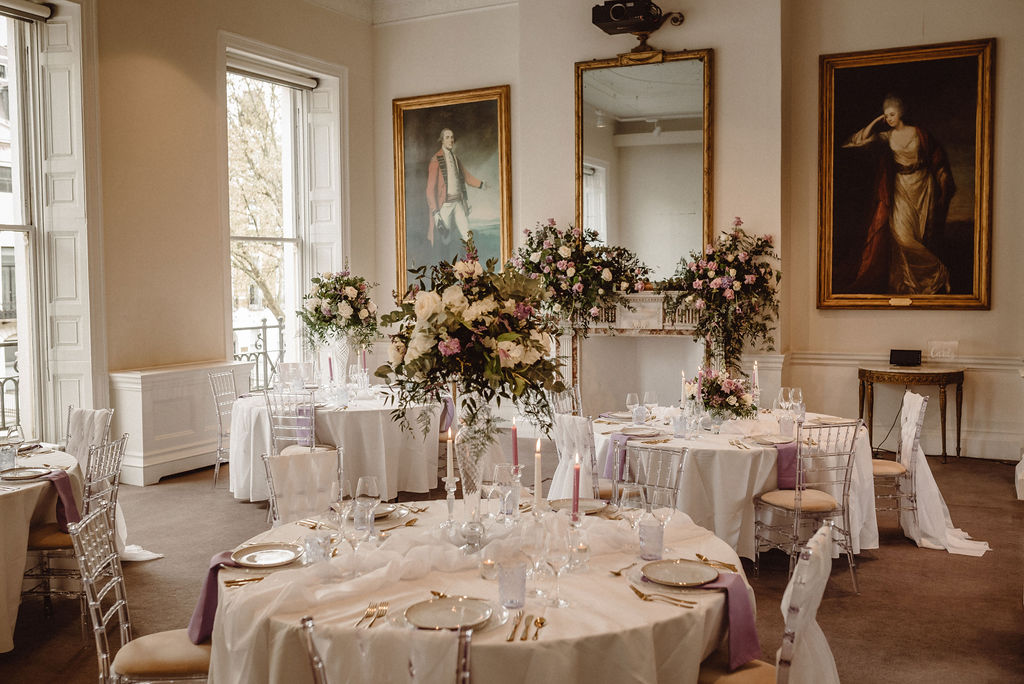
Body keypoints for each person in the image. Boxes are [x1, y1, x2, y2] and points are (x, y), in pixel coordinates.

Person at [842, 94, 955, 294]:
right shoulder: (887, 136)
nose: (889, 119)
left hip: (922, 185)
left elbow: (937, 158)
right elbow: (857, 140)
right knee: (902, 237)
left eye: (892, 114)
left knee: (920, 237)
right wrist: (877, 120)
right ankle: (939, 271)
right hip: (901, 187)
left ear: (901, 112)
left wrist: (943, 184)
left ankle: (918, 284)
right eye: (886, 116)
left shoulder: (919, 133)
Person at [426, 128, 486, 246]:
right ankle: (445, 264)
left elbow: (467, 177)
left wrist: (482, 184)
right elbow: (429, 189)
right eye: (447, 137)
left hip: (458, 202)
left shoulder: (455, 158)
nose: (451, 140)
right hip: (445, 205)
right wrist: (435, 212)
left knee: (468, 235)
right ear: (442, 140)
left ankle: (471, 263)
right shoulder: (435, 159)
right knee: (445, 239)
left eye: (452, 137)